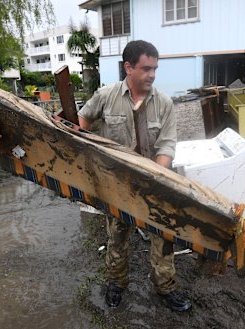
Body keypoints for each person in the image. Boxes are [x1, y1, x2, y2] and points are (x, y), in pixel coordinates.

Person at [77, 40, 191, 312]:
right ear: (128, 67)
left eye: (155, 69)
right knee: (117, 236)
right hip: (115, 184)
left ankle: (166, 287)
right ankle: (117, 283)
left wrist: (155, 176)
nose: (152, 74)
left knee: (163, 238)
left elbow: (167, 145)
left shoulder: (164, 104)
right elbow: (81, 122)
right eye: (146, 68)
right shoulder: (105, 97)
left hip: (153, 185)